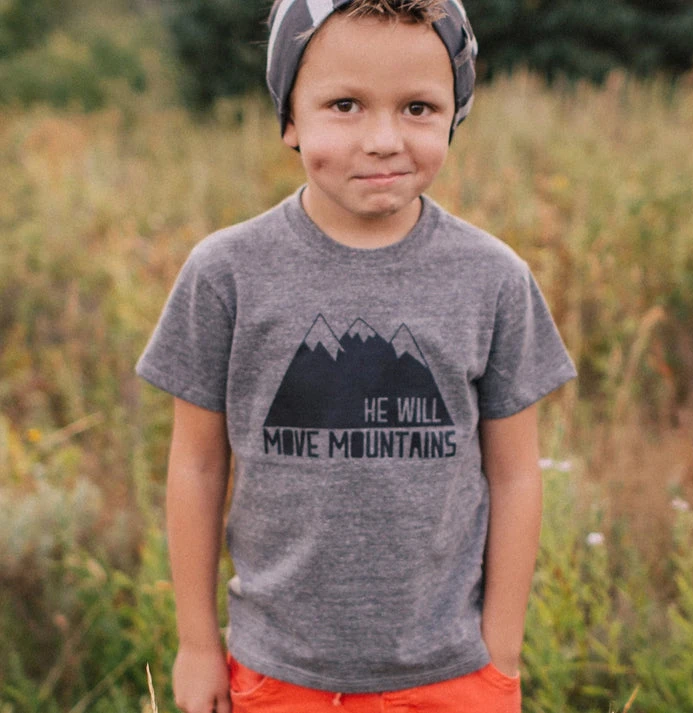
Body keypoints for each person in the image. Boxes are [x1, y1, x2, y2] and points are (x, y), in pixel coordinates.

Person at [136, 0, 577, 711]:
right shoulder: (226, 273)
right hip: (276, 672)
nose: (382, 140)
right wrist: (196, 645)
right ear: (290, 118)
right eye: (344, 105)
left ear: (454, 117)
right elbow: (195, 465)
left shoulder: (492, 278)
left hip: (452, 671)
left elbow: (515, 473)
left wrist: (500, 652)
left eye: (418, 108)